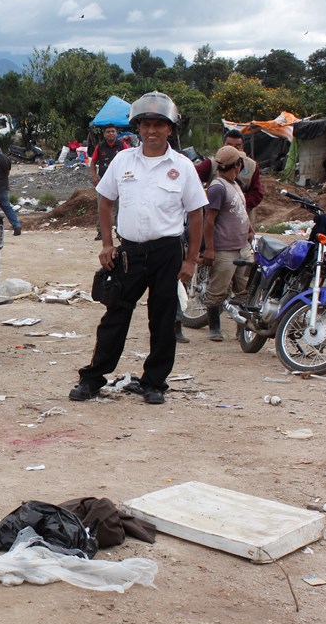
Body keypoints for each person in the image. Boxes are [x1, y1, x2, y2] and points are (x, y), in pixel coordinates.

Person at [69, 92, 207, 406]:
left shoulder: (183, 167)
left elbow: (196, 213)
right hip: (129, 253)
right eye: (146, 124)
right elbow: (105, 201)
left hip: (167, 253)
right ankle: (92, 379)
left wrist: (190, 260)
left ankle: (154, 382)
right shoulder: (122, 160)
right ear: (138, 127)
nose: (152, 130)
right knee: (115, 316)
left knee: (162, 319)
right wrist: (107, 244)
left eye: (160, 124)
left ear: (170, 129)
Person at [201, 145, 255, 342]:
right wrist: (210, 248)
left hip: (242, 246)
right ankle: (214, 327)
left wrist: (249, 227)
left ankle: (242, 328)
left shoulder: (235, 184)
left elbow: (241, 209)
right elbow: (209, 219)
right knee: (218, 289)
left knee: (244, 289)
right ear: (238, 165)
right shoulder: (218, 187)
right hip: (225, 248)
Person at [194, 129, 263, 220]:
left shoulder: (251, 166)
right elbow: (192, 179)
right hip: (216, 218)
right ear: (223, 146)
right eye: (229, 145)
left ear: (242, 148)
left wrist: (239, 204)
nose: (233, 150)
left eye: (237, 146)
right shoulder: (211, 164)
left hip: (241, 218)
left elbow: (257, 193)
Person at [89, 124, 129, 240]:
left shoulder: (122, 145)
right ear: (104, 133)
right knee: (103, 206)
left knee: (121, 206)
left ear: (116, 133)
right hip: (104, 181)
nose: (111, 133)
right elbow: (93, 162)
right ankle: (101, 232)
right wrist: (94, 176)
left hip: (120, 181)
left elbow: (130, 160)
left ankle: (120, 231)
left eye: (113, 131)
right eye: (108, 132)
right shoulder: (100, 147)